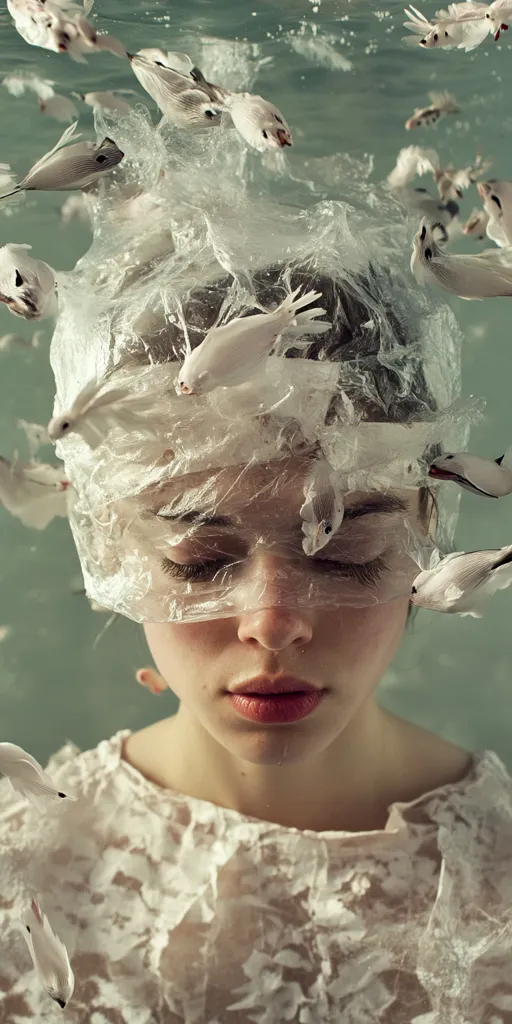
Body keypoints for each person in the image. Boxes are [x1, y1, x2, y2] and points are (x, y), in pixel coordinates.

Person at [1, 111, 512, 1023]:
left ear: (427, 530)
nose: (274, 621)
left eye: (348, 550)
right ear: (111, 543)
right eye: (199, 561)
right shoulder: (18, 875)